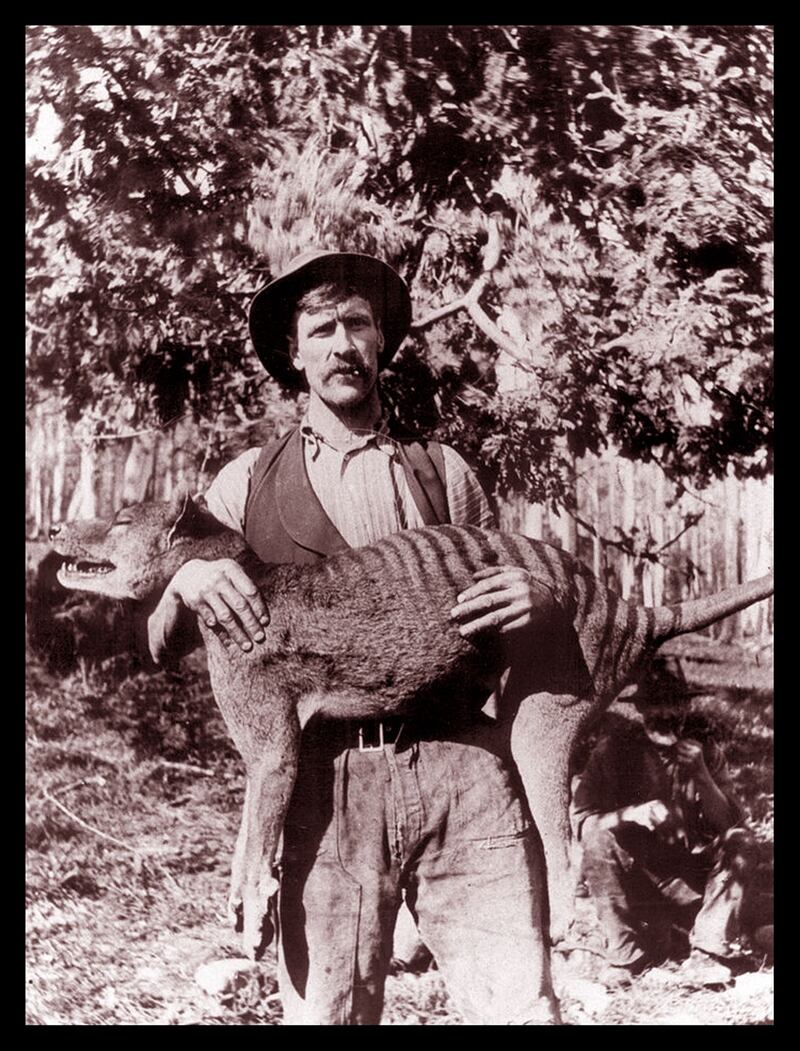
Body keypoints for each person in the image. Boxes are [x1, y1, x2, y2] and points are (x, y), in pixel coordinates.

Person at [149, 249, 562, 1025]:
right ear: (293, 354)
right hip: (323, 784)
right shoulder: (243, 484)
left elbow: (505, 627)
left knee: (521, 1007)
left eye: (358, 324)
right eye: (321, 328)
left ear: (381, 343)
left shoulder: (445, 473)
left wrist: (535, 600)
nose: (342, 343)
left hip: (462, 769)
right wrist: (186, 582)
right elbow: (162, 642)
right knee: (328, 1014)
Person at [571, 656, 758, 984]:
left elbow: (731, 824)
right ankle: (624, 957)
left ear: (685, 709)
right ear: (640, 709)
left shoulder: (704, 751)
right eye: (655, 704)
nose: (664, 714)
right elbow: (582, 823)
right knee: (599, 839)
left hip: (691, 879)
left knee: (742, 841)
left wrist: (701, 775)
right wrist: (629, 815)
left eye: (673, 704)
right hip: (637, 883)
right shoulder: (614, 750)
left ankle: (708, 951)